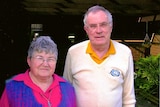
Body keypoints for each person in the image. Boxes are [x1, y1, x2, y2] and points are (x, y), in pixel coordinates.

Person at [63, 5, 136, 107]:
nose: (98, 30)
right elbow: (66, 92)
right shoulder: (73, 52)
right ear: (86, 29)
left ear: (111, 26)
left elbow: (128, 99)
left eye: (103, 24)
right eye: (93, 26)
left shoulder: (125, 53)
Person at [0, 36, 76, 107]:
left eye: (51, 59)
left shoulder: (68, 88)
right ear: (29, 61)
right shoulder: (13, 87)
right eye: (39, 58)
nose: (45, 64)